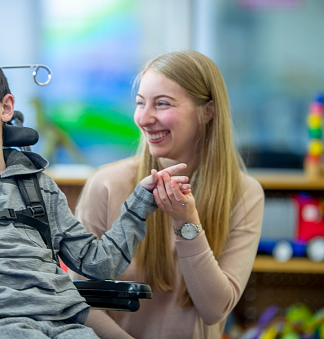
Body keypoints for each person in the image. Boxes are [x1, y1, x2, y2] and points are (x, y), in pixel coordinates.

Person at [0, 52, 190, 339]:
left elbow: (98, 262)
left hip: (64, 322)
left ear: (5, 107)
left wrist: (140, 204)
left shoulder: (40, 187)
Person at [70, 50, 265, 339]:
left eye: (162, 104)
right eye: (140, 103)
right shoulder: (106, 184)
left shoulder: (245, 195)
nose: (144, 118)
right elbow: (78, 300)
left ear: (208, 111)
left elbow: (215, 309)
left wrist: (186, 224)